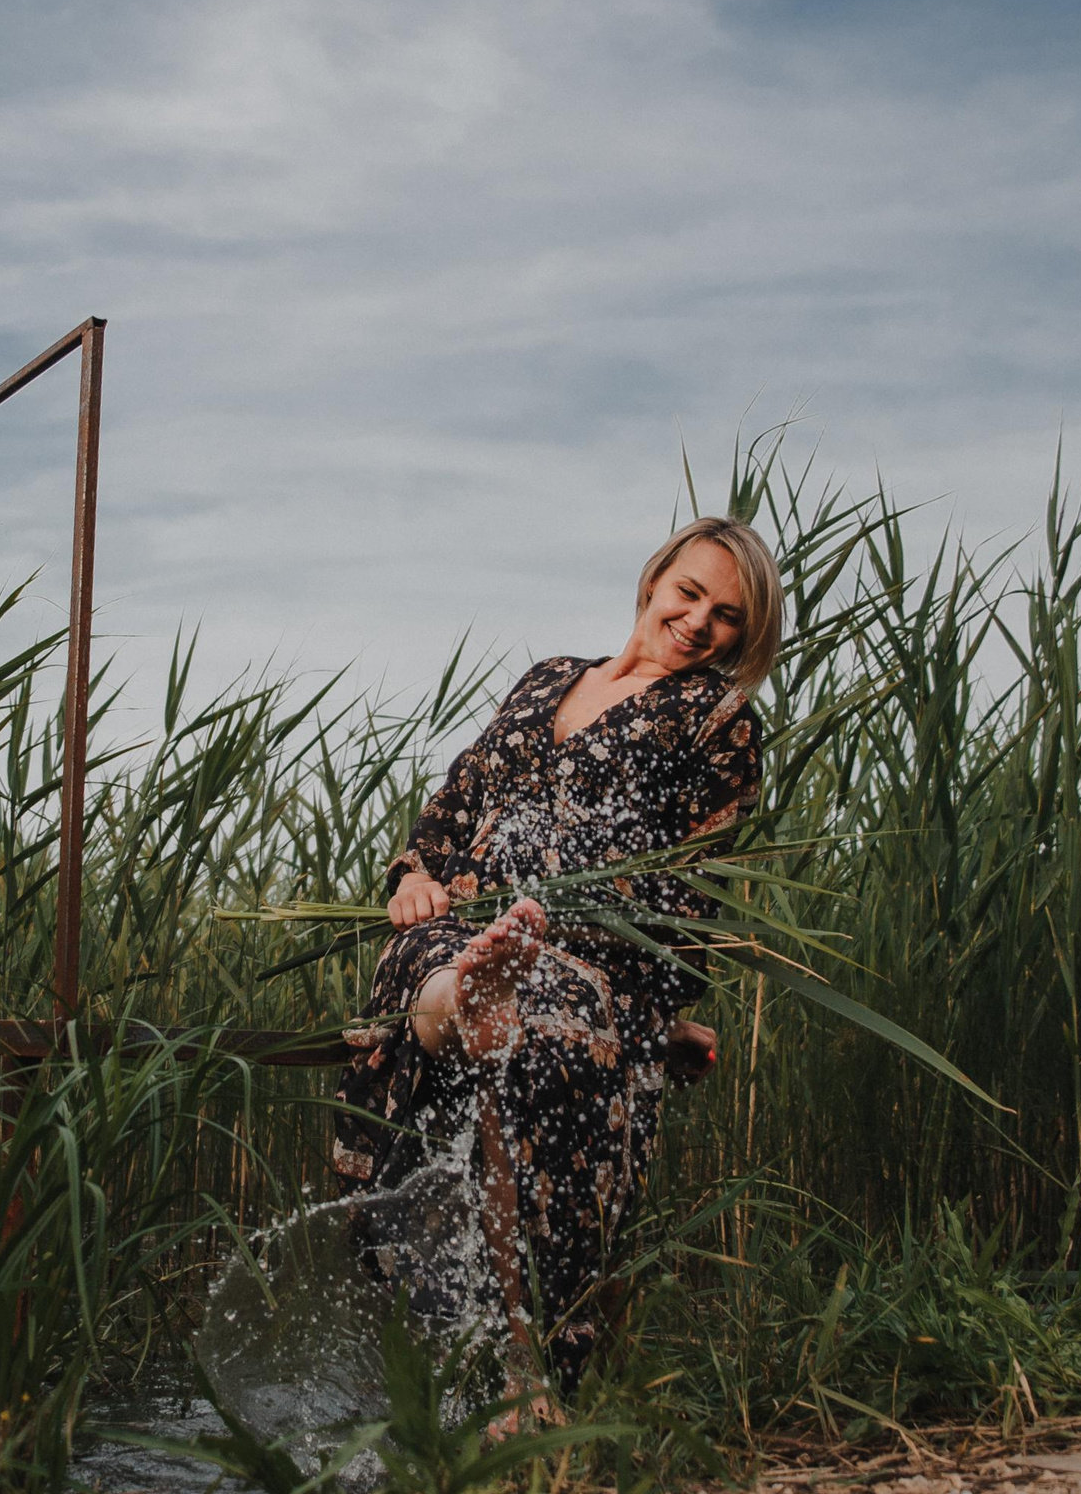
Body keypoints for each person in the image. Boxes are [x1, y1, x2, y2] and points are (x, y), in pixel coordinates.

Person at [329, 515, 781, 1401]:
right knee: (423, 947)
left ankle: (520, 1371)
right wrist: (416, 873)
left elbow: (696, 880)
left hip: (588, 952)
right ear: (655, 581)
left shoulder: (716, 717)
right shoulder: (547, 680)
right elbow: (461, 793)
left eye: (727, 617)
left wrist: (661, 1007)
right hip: (467, 924)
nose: (699, 624)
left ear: (745, 635)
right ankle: (468, 995)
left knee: (542, 1026)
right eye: (690, 594)